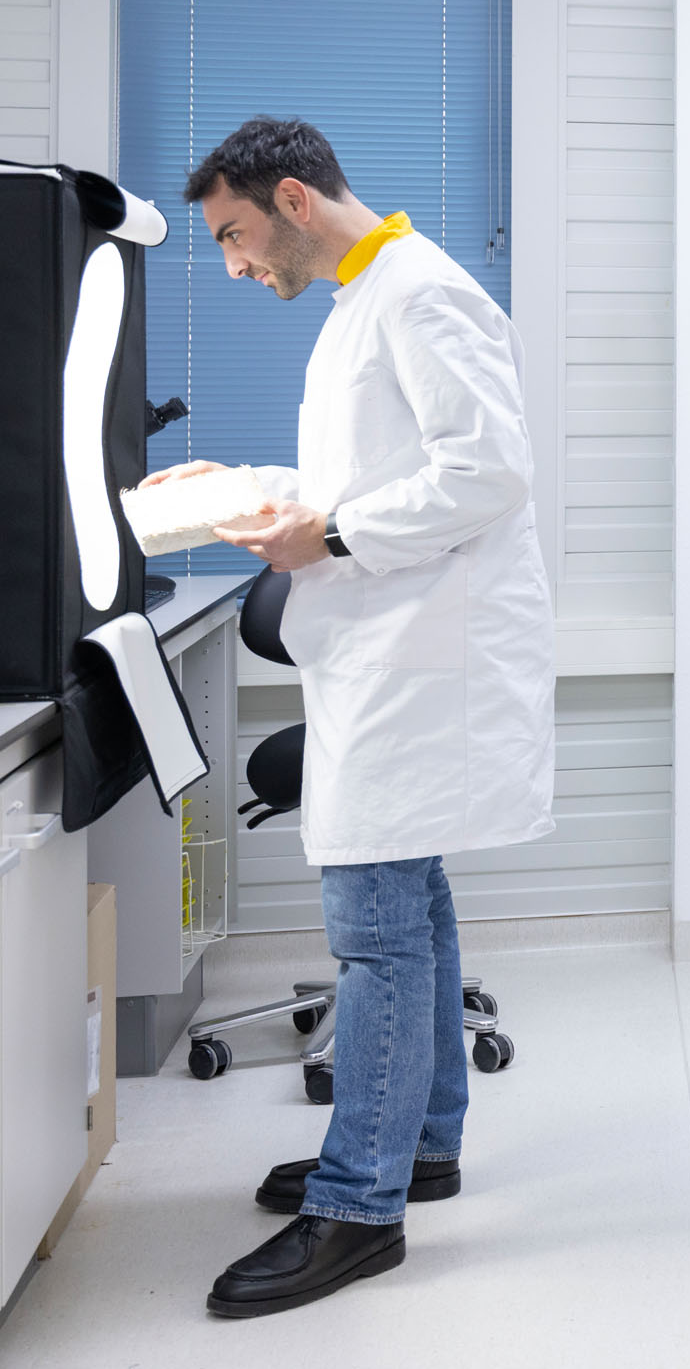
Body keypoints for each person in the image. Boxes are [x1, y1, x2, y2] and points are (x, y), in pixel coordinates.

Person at [143, 117, 556, 1318]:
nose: (233, 265)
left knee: (376, 933)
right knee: (409, 908)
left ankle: (359, 1206)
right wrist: (239, 488)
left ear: (292, 198)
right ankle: (421, 1145)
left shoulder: (423, 296)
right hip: (389, 653)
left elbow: (487, 473)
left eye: (233, 236)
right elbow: (369, 479)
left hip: (422, 666)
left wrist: (323, 530)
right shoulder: (367, 298)